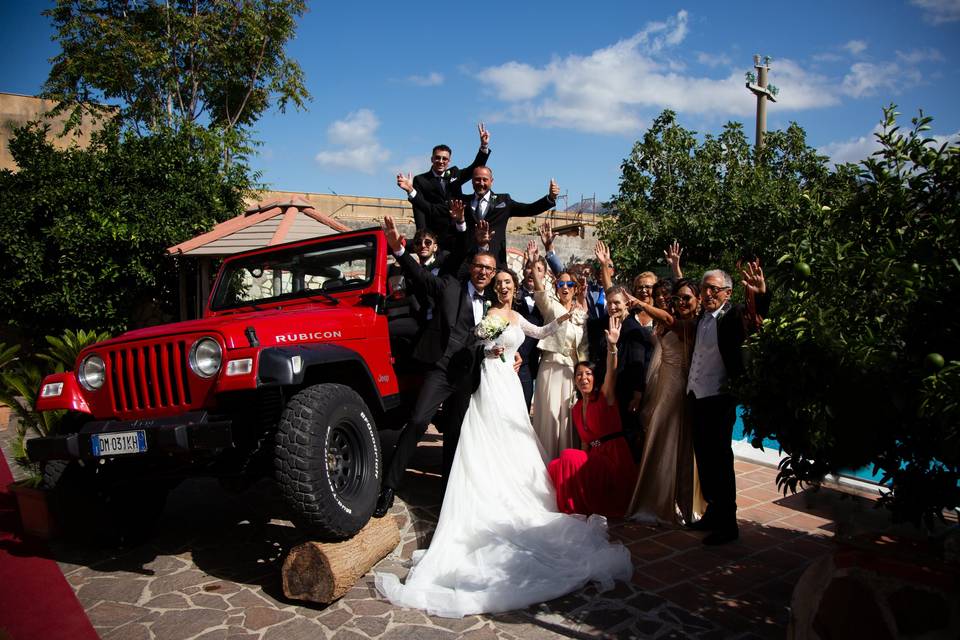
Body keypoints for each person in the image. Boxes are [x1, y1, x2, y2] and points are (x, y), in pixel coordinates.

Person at [375, 268, 632, 618]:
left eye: (508, 283)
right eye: (500, 284)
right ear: (496, 289)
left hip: (511, 386)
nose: (504, 287)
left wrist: (565, 318)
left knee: (516, 436)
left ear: (513, 287)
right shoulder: (494, 315)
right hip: (493, 379)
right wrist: (490, 348)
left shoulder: (514, 315)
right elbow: (477, 338)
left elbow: (539, 331)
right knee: (490, 435)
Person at [373, 208, 492, 518]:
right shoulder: (450, 286)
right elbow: (420, 276)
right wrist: (398, 249)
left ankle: (448, 495)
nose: (482, 272)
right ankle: (389, 487)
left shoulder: (494, 301)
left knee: (454, 432)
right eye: (478, 266)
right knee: (417, 421)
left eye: (488, 270)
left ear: (492, 275)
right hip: (440, 365)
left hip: (467, 373)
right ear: (472, 267)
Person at [686, 262, 769, 545]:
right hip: (696, 396)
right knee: (704, 460)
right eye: (704, 288)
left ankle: (728, 523)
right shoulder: (702, 318)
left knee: (720, 461)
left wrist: (759, 295)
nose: (707, 293)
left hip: (718, 399)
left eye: (713, 289)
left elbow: (753, 316)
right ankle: (712, 512)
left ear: (728, 293)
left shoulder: (732, 316)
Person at [628, 278, 707, 525]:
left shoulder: (693, 324)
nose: (681, 302)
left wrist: (640, 303)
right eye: (677, 298)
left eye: (687, 298)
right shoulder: (674, 318)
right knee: (660, 437)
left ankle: (678, 501)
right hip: (663, 384)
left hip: (680, 388)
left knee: (677, 439)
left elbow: (670, 319)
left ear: (698, 301)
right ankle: (656, 497)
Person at [548, 316, 637, 518]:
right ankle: (580, 503)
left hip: (615, 457)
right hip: (595, 457)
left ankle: (577, 506)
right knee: (556, 465)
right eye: (579, 375)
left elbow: (611, 372)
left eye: (588, 373)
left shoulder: (605, 396)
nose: (583, 378)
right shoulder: (577, 407)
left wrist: (612, 347)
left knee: (569, 456)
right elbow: (585, 445)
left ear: (594, 378)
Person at [527, 242, 588, 460]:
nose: (565, 287)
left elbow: (584, 348)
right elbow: (540, 289)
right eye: (561, 284)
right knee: (549, 418)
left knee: (567, 421)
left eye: (570, 284)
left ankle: (567, 466)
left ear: (576, 288)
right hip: (550, 369)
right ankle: (545, 466)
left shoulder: (582, 314)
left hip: (571, 373)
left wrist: (584, 376)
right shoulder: (551, 307)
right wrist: (535, 264)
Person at [405, 124, 491, 247]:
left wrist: (484, 146)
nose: (441, 161)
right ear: (432, 159)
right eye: (438, 158)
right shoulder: (421, 180)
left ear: (449, 161)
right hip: (436, 236)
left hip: (458, 232)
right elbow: (419, 208)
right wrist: (422, 236)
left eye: (444, 159)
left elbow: (475, 167)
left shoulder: (455, 173)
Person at [462, 167, 560, 265]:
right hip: (468, 263)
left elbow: (528, 209)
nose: (481, 183)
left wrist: (550, 198)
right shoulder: (462, 202)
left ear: (491, 181)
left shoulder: (503, 201)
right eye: (477, 179)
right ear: (472, 181)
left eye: (485, 179)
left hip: (496, 262)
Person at [515, 256, 546, 410]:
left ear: (544, 275)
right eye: (529, 267)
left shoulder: (547, 301)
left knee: (524, 408)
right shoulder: (512, 294)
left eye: (538, 269)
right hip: (510, 359)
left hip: (531, 362)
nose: (532, 272)